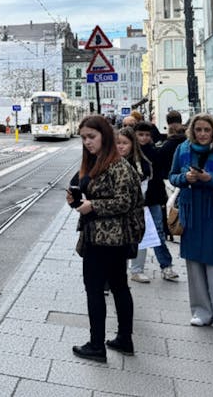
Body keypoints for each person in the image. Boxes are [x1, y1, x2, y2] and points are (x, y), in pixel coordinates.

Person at [67, 115, 144, 362]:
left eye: (92, 137)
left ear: (105, 136)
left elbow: (125, 201)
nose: (87, 142)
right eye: (84, 138)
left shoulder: (118, 165)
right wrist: (77, 202)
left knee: (95, 289)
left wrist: (93, 206)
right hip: (104, 237)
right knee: (119, 286)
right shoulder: (98, 162)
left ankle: (96, 345)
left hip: (107, 239)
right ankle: (124, 339)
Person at [169, 113, 213, 333]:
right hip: (192, 214)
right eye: (198, 130)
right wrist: (184, 179)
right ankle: (201, 312)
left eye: (206, 130)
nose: (202, 134)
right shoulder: (182, 149)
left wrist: (210, 180)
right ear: (192, 131)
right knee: (194, 265)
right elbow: (172, 176)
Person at [128, 122, 178, 282]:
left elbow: (159, 174)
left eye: (147, 135)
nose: (144, 138)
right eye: (140, 134)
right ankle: (136, 269)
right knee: (137, 235)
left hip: (153, 198)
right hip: (135, 201)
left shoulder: (155, 152)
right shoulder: (129, 153)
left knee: (157, 232)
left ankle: (166, 266)